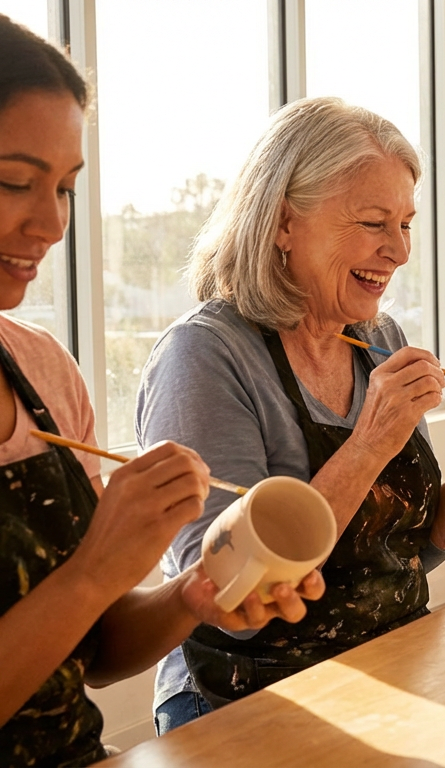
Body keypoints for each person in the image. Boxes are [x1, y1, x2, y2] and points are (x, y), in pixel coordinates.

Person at [137, 96, 445, 730]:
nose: (398, 251)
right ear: (283, 223)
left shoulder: (379, 339)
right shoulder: (205, 355)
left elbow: (406, 555)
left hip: (393, 667)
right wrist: (368, 445)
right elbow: (226, 590)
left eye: (406, 224)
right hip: (246, 702)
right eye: (373, 223)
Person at [0, 15, 319, 765]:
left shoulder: (44, 371)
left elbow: (93, 650)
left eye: (68, 189)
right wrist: (94, 570)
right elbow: (84, 591)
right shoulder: (207, 350)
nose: (50, 223)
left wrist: (196, 594)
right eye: (14, 181)